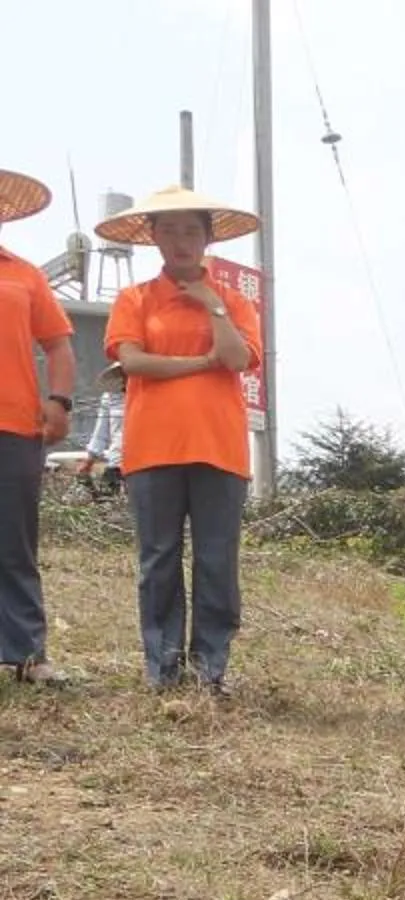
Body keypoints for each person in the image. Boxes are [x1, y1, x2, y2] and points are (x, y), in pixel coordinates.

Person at [100, 186, 264, 698]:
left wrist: (213, 305)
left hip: (220, 448)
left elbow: (238, 359)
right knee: (158, 559)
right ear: (152, 238)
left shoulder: (235, 301)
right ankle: (162, 668)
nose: (181, 241)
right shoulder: (135, 299)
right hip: (152, 448)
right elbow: (132, 362)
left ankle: (210, 670)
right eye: (168, 230)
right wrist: (199, 364)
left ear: (209, 237)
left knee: (218, 561)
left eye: (192, 230)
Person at [0, 167, 77, 685]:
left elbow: (58, 342)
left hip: (15, 423)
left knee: (14, 541)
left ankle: (26, 652)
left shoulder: (24, 274)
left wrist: (59, 399)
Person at [78, 363, 125, 497]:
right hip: (117, 463)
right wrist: (89, 462)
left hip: (145, 466)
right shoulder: (110, 398)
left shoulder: (153, 396)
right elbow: (100, 434)